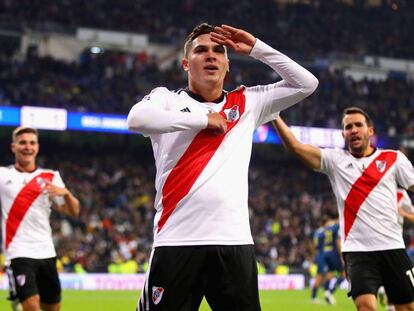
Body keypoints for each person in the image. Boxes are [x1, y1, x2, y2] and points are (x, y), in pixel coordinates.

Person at [127, 23, 318, 311]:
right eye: (201, 50)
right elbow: (136, 119)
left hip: (234, 241)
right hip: (176, 241)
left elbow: (306, 83)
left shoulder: (249, 102)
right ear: (185, 63)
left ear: (228, 64)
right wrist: (204, 120)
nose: (211, 56)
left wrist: (256, 48)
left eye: (219, 51)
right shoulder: (166, 99)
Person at [272, 108, 414, 311]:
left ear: (370, 131)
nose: (353, 130)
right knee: (366, 306)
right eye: (348, 127)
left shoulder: (393, 159)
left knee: (407, 308)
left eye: (358, 125)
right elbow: (296, 147)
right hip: (357, 251)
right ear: (343, 134)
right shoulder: (334, 160)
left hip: (392, 246)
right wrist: (274, 115)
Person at [0, 126, 80, 311]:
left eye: (32, 143)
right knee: (32, 307)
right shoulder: (3, 175)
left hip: (46, 252)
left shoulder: (51, 177)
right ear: (14, 147)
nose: (27, 147)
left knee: (53, 308)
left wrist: (66, 194)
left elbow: (74, 212)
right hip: (18, 252)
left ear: (37, 147)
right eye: (22, 143)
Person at [311, 216, 345, 305]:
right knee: (343, 274)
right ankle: (329, 292)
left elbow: (315, 245)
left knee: (328, 274)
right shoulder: (334, 228)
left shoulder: (319, 232)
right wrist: (341, 256)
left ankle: (321, 294)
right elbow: (338, 241)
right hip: (332, 254)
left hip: (321, 254)